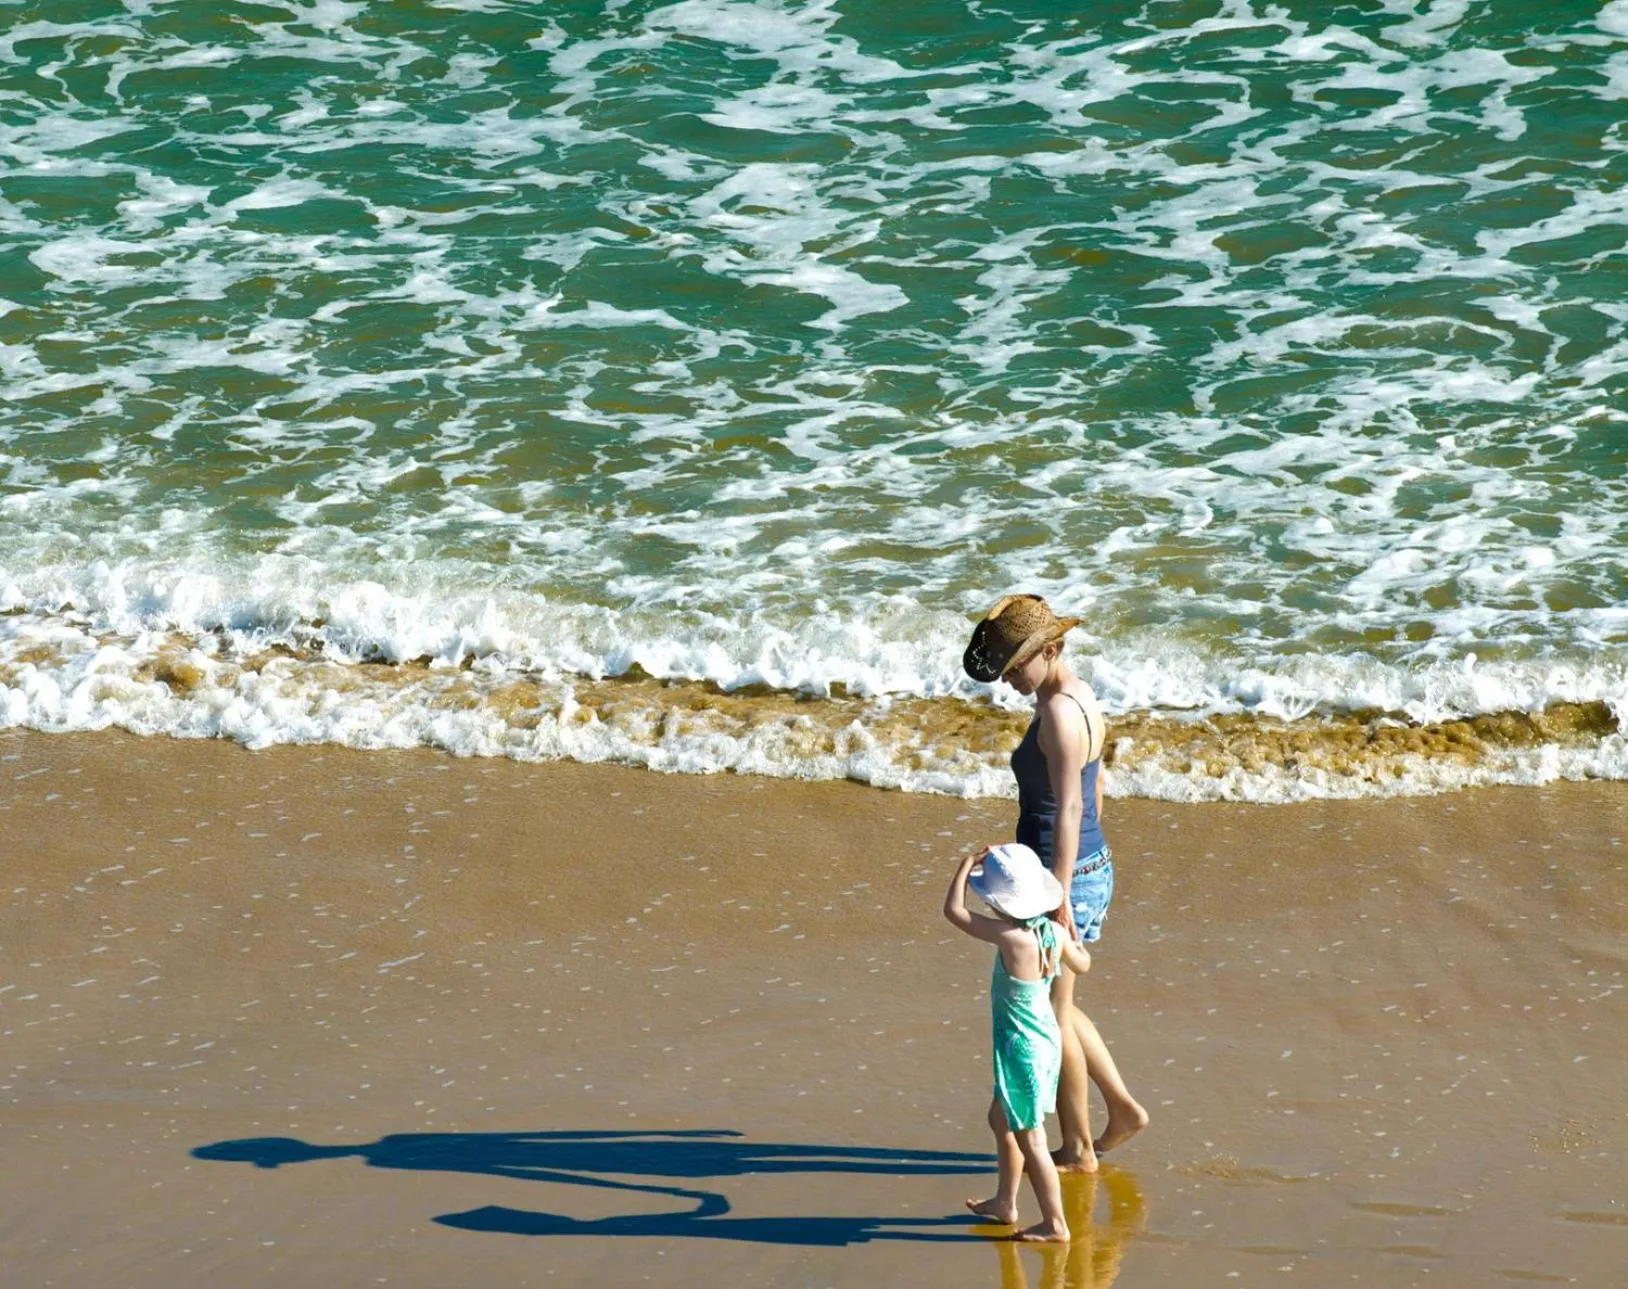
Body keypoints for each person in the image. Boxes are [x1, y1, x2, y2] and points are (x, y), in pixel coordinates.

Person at [964, 594, 1148, 1172]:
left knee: (1049, 1017)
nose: (1010, 677)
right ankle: (1117, 1111)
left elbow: (1070, 808)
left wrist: (1060, 894)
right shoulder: (1077, 696)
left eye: (1019, 665)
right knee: (1060, 1008)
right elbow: (1097, 788)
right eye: (1006, 667)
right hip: (1081, 866)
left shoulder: (1062, 714)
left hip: (1061, 876)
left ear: (1050, 650)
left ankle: (1082, 1145)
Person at [944, 842, 1094, 1242]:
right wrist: (1070, 935)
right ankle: (1005, 1202)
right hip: (1044, 1041)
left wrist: (963, 868)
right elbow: (1083, 963)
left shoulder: (1011, 937)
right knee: (1001, 1118)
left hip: (1020, 1049)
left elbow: (954, 913)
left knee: (1031, 1137)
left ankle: (1055, 1224)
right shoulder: (1053, 934)